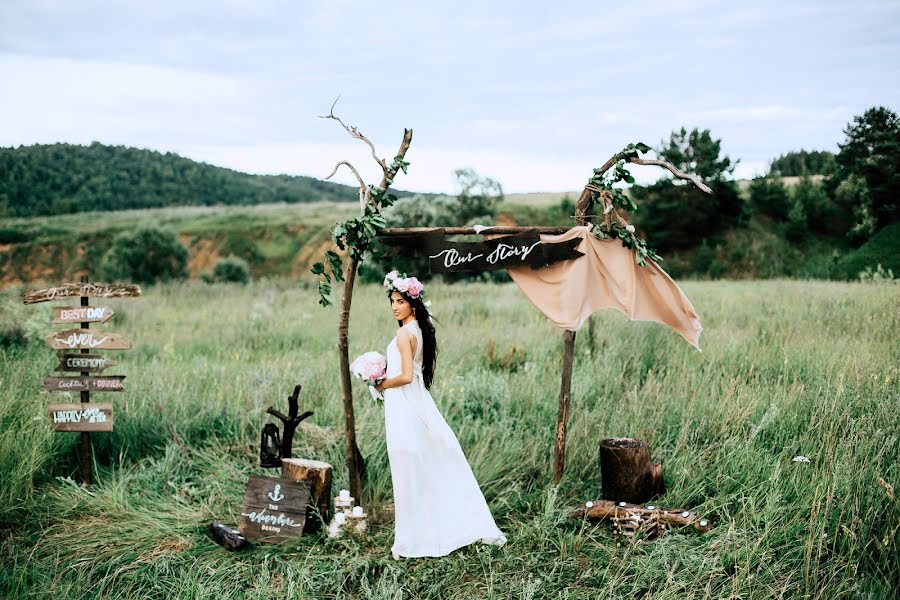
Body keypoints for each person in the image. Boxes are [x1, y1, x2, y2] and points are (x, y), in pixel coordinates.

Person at [374, 270, 507, 559]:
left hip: (406, 403)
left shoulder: (403, 333)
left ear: (413, 303)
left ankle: (413, 538)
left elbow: (407, 375)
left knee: (407, 465)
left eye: (400, 301)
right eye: (392, 302)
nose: (395, 307)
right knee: (423, 463)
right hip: (417, 401)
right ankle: (426, 527)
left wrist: (380, 382)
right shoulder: (418, 330)